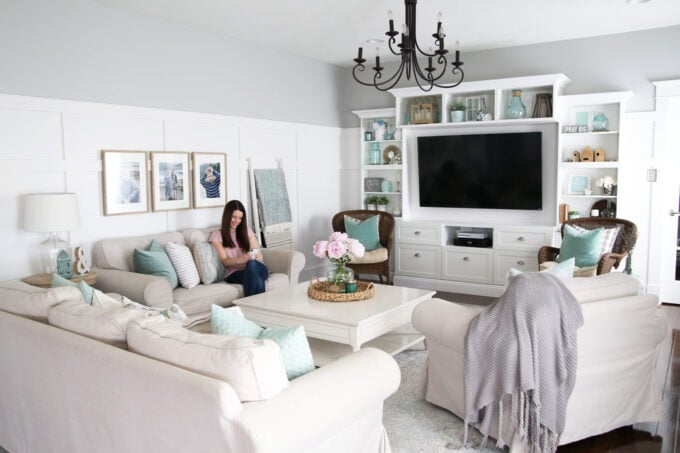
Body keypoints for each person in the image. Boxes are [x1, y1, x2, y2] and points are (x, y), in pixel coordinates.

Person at [209, 199, 269, 297]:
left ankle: (249, 310)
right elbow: (225, 261)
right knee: (256, 279)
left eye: (240, 218)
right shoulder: (216, 235)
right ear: (227, 216)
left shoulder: (247, 231)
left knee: (252, 264)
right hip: (234, 273)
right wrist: (241, 260)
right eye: (234, 217)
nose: (237, 221)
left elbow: (255, 251)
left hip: (257, 268)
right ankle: (258, 309)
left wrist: (258, 257)